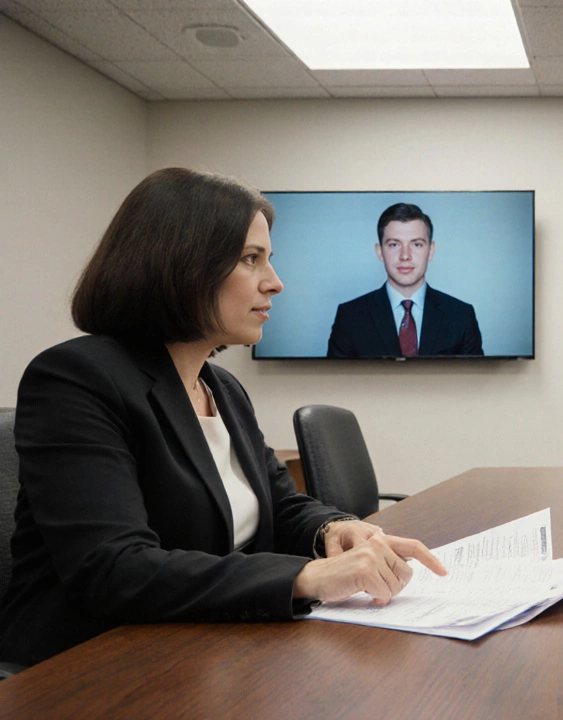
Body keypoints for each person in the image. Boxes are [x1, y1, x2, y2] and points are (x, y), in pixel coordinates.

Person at [0, 168, 447, 669]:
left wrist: (333, 531)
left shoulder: (223, 389)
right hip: (92, 666)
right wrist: (306, 578)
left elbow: (280, 505)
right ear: (182, 265)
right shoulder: (76, 378)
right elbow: (114, 569)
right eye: (250, 259)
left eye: (269, 260)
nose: (274, 282)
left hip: (208, 650)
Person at [327, 203, 482, 358]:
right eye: (394, 244)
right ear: (380, 252)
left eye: (416, 244)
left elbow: (474, 381)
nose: (405, 255)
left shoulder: (461, 317)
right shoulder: (350, 318)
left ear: (431, 250)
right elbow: (335, 381)